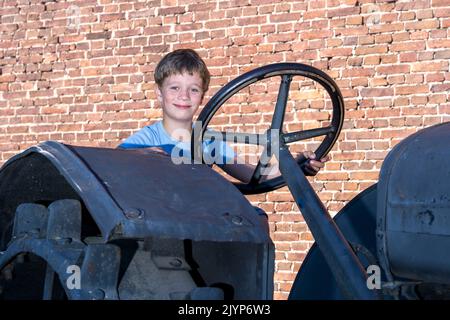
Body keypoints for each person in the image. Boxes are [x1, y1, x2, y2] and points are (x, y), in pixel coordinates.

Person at [118, 49, 329, 183]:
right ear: (159, 93)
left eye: (193, 90)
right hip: (162, 221)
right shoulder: (147, 139)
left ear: (202, 96)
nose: (183, 96)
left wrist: (297, 165)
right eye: (174, 88)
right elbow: (114, 164)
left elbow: (253, 175)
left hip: (203, 219)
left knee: (258, 219)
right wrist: (143, 157)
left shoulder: (210, 142)